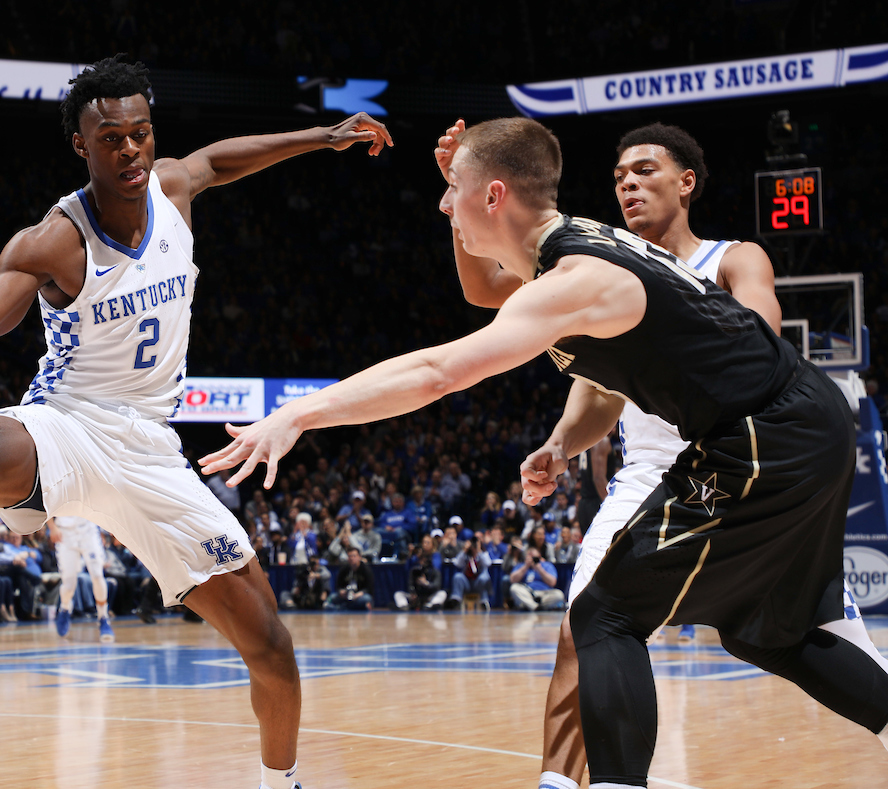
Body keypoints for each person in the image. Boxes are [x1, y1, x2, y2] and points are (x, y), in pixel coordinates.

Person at [201, 116, 888, 785]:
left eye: (453, 194)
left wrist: (298, 413)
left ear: (494, 195)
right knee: (762, 629)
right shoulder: (579, 247)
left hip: (765, 434)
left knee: (607, 610)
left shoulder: (577, 278)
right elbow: (482, 287)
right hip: (797, 423)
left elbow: (438, 372)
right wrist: (562, 443)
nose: (444, 205)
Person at [0, 56, 390, 789]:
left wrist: (323, 135)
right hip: (70, 423)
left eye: (141, 133)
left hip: (155, 452)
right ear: (81, 145)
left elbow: (219, 159)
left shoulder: (174, 188)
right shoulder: (56, 240)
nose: (130, 149)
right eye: (112, 139)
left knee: (271, 645)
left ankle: (279, 783)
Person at [529, 122, 888, 789]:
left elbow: (761, 339)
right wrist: (558, 444)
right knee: (586, 626)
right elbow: (598, 399)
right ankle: (560, 779)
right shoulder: (607, 274)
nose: (627, 184)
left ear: (686, 182)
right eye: (618, 178)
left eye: (644, 170)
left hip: (741, 461)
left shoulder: (732, 257)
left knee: (810, 632)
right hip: (648, 474)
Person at [49, 516, 114, 642]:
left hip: (87, 528)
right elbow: (44, 502)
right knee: (69, 584)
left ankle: (103, 618)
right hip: (64, 531)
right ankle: (65, 608)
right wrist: (52, 527)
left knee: (97, 575)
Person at [509, 546, 564, 611]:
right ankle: (535, 607)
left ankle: (533, 606)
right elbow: (512, 580)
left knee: (559, 594)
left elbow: (552, 583)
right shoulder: (521, 565)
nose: (532, 560)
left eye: (534, 558)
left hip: (545, 593)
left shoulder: (547, 565)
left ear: (539, 556)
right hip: (528, 593)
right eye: (530, 557)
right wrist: (525, 567)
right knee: (514, 588)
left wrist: (539, 569)